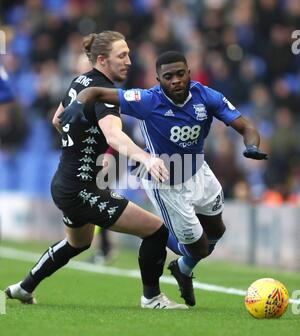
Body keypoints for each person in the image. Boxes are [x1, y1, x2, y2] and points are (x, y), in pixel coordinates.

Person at [58, 50, 268, 307]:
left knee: (217, 231)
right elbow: (95, 92)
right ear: (159, 79)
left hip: (199, 172)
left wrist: (252, 146)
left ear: (189, 73)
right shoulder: (146, 100)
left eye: (181, 74)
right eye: (168, 77)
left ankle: (182, 270)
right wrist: (78, 104)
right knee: (198, 248)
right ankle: (156, 233)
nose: (176, 80)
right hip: (165, 179)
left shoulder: (207, 96)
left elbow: (246, 127)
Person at [4, 32, 188, 310]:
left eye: (128, 53)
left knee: (77, 243)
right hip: (81, 188)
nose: (129, 60)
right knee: (155, 230)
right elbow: (114, 136)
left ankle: (23, 287)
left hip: (65, 182)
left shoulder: (80, 81)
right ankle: (152, 298)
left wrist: (85, 146)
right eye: (122, 55)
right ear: (102, 59)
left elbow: (57, 119)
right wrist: (146, 158)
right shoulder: (104, 93)